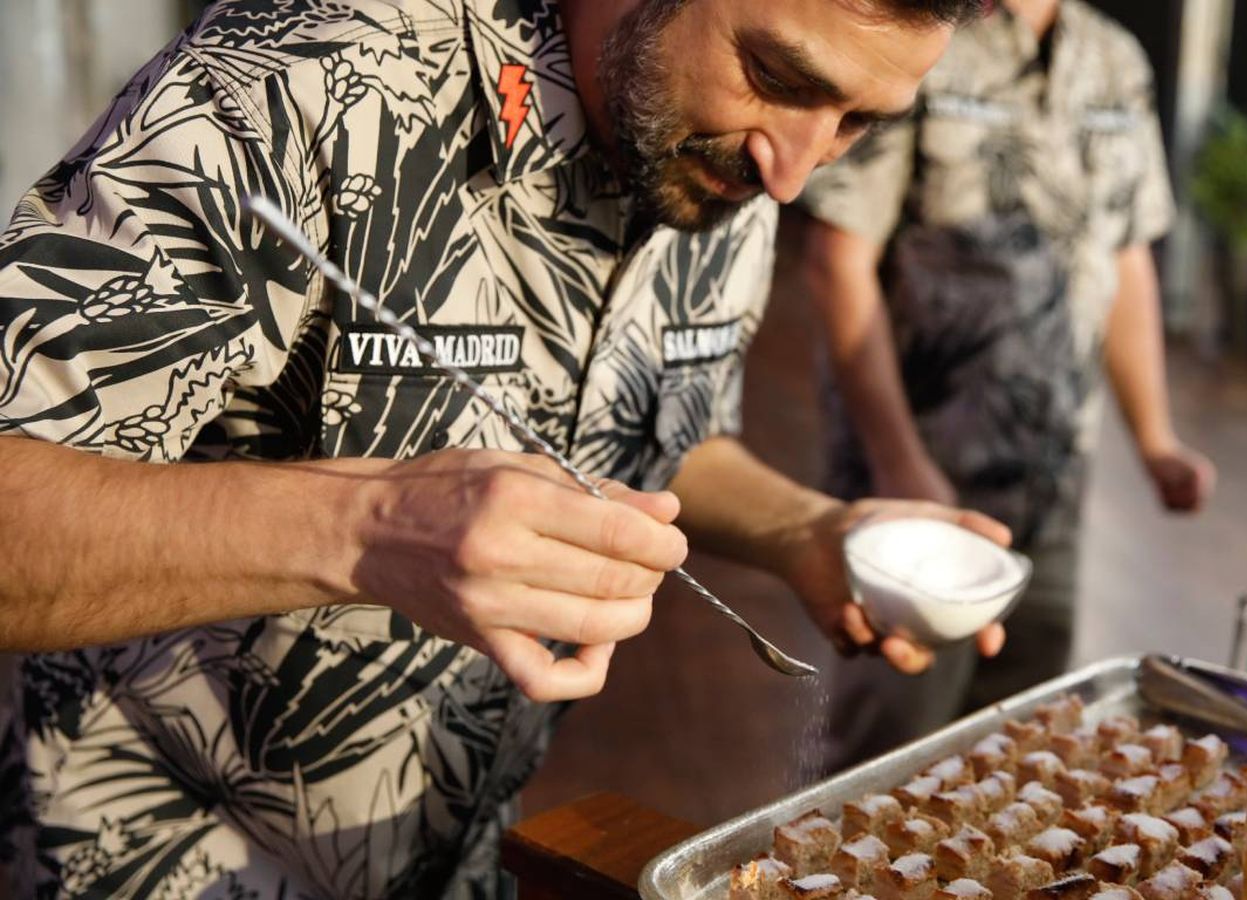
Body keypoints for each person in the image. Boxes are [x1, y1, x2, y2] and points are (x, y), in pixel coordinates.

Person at [0, 0, 1005, 895]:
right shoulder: (298, 78)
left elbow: (634, 434)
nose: (793, 174)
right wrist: (370, 526)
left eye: (860, 121)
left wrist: (807, 529)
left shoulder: (725, 155)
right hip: (150, 853)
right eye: (780, 78)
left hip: (461, 852)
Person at [796, 0, 1218, 772]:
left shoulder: (1117, 59)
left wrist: (1155, 438)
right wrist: (899, 465)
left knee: (1018, 753)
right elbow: (837, 261)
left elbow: (1124, 259)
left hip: (1054, 490)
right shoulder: (915, 32)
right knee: (883, 762)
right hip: (916, 495)